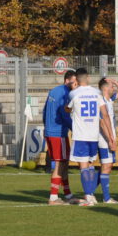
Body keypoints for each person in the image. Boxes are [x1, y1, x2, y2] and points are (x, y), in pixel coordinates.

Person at [66, 68, 116, 207]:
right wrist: (111, 136)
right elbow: (105, 115)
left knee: (83, 166)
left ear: (76, 79)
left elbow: (68, 109)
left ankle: (88, 195)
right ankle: (91, 195)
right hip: (94, 135)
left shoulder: (73, 93)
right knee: (90, 165)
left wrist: (69, 109)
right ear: (88, 77)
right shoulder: (97, 93)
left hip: (81, 135)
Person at [43, 70, 76, 205]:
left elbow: (45, 111)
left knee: (64, 162)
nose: (75, 85)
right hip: (58, 133)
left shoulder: (53, 91)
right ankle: (53, 197)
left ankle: (68, 194)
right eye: (74, 82)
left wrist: (47, 127)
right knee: (60, 164)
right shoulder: (65, 93)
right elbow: (65, 115)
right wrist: (76, 129)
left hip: (50, 131)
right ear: (67, 80)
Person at [96, 77, 118, 204]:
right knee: (106, 166)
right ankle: (106, 198)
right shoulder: (101, 101)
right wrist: (110, 140)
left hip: (109, 138)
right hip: (104, 139)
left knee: (106, 166)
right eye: (112, 86)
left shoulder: (109, 99)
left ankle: (89, 192)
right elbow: (102, 123)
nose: (114, 88)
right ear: (106, 88)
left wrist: (115, 82)